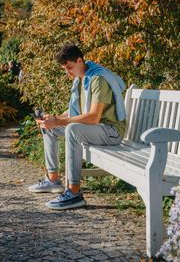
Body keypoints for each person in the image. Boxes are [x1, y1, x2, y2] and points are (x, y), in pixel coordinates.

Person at [28, 44, 127, 210]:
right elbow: (77, 111)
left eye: (69, 68)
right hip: (96, 130)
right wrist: (54, 119)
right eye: (65, 69)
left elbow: (94, 116)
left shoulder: (97, 79)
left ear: (80, 60)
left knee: (72, 130)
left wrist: (59, 122)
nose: (68, 73)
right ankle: (53, 180)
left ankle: (73, 193)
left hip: (111, 131)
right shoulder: (82, 79)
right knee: (48, 127)